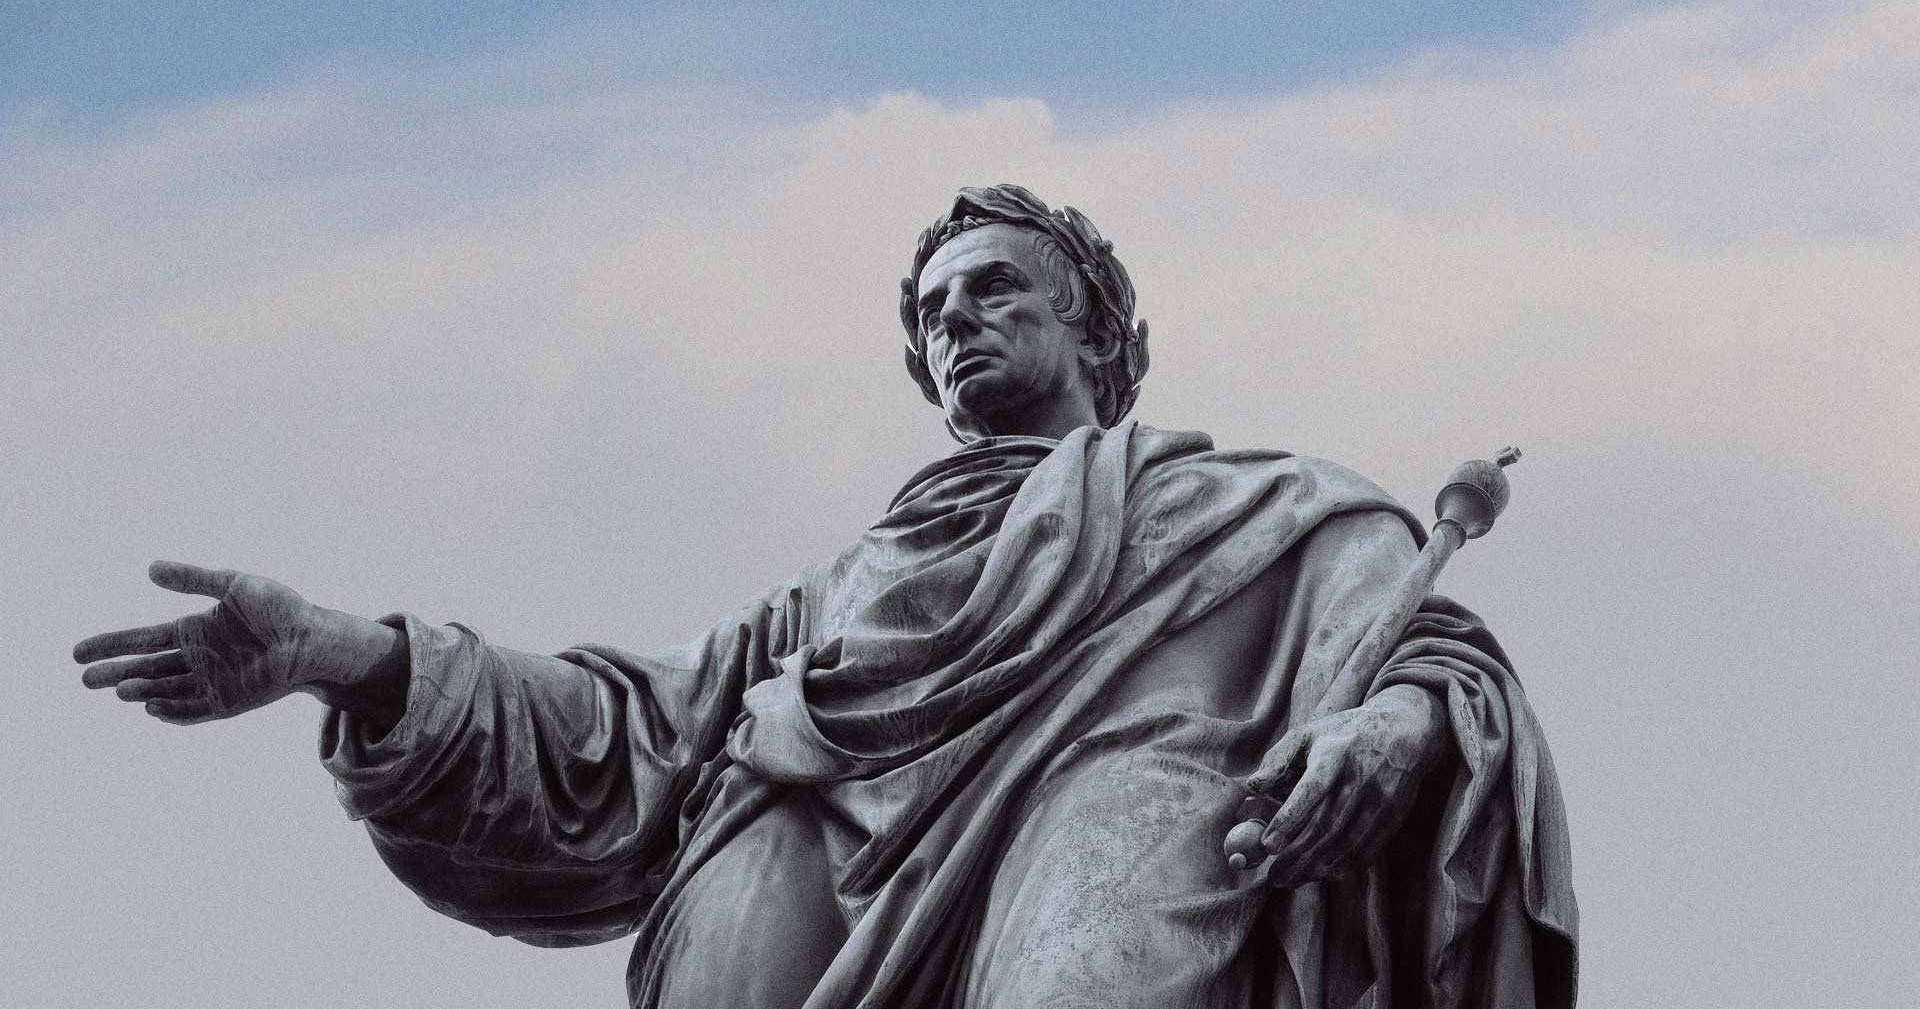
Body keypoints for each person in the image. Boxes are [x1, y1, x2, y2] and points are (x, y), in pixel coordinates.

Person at [75, 185, 1578, 1008]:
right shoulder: (837, 592)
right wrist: (348, 655)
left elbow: (1427, 655)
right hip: (787, 886)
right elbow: (616, 737)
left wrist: (1393, 730)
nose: (955, 320)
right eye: (933, 312)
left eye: (995, 287)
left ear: (1094, 332)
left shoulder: (1256, 505)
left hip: (1125, 839)